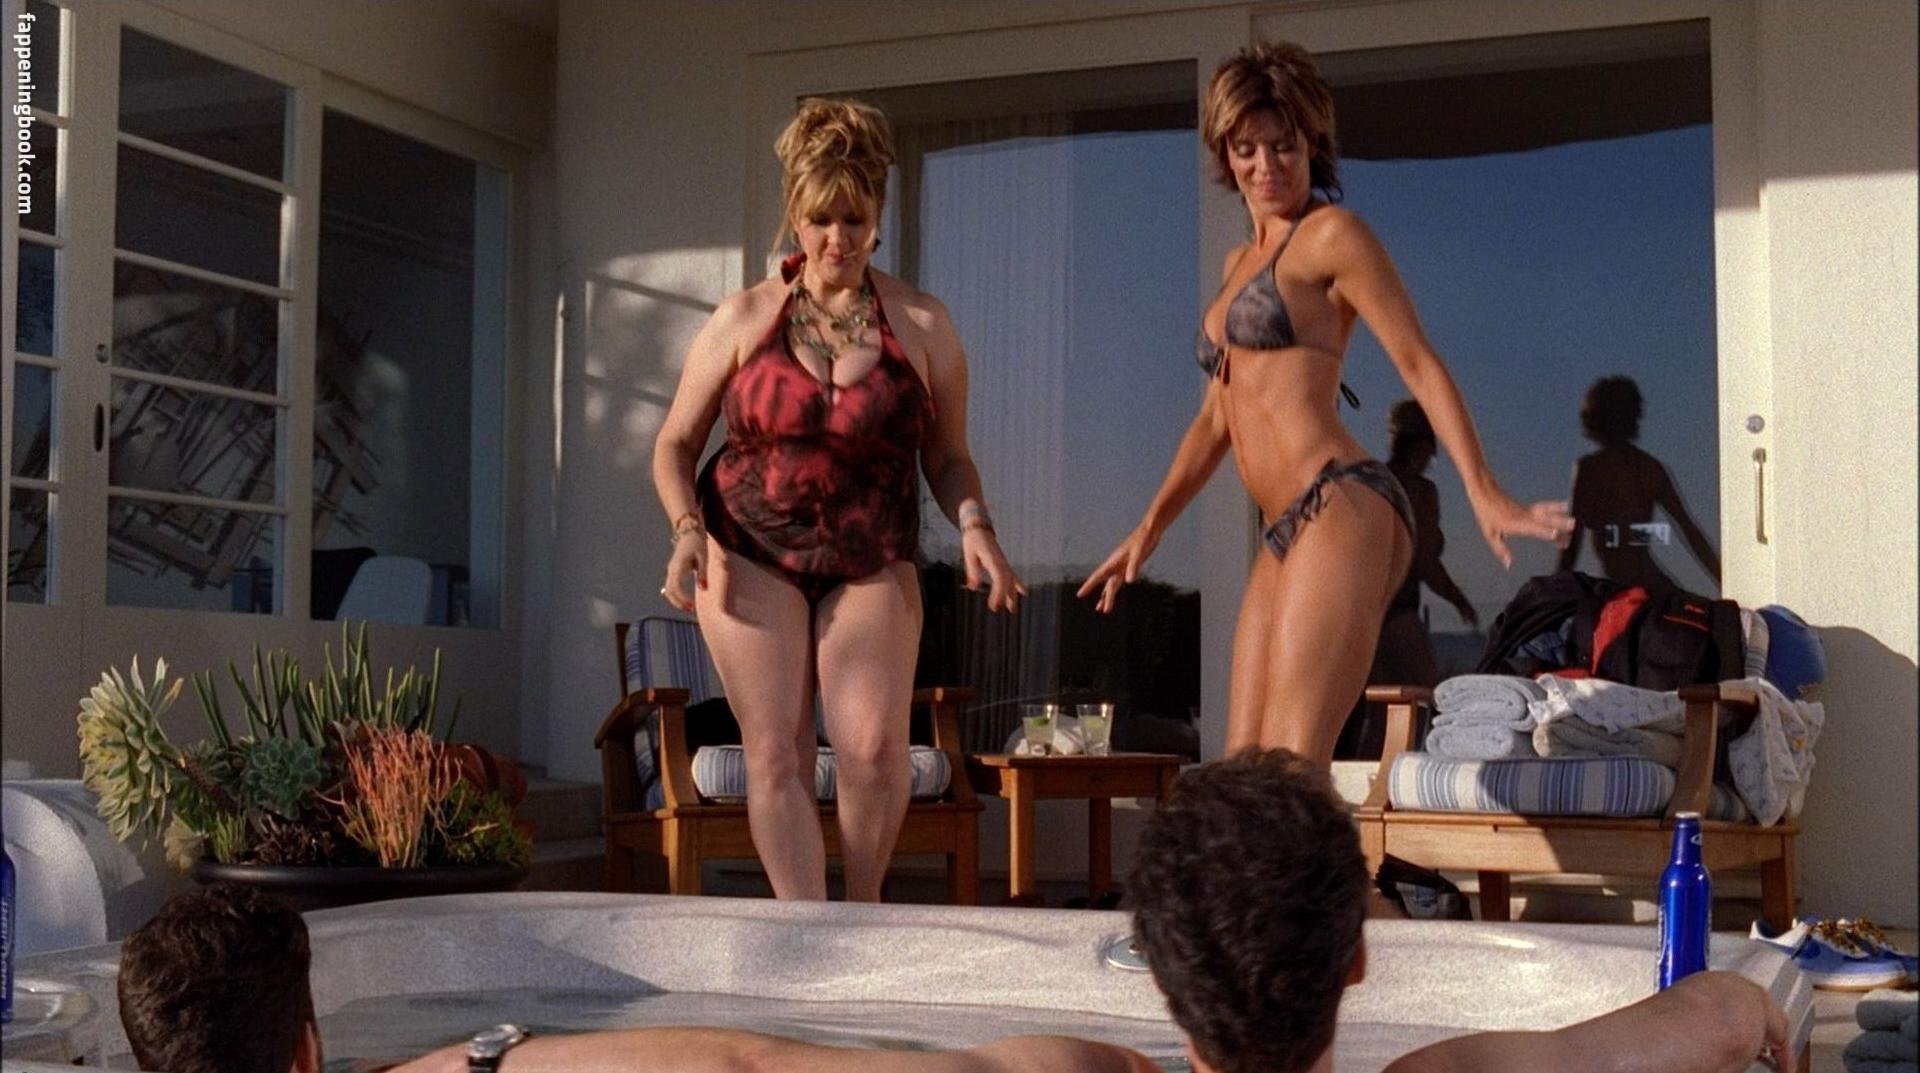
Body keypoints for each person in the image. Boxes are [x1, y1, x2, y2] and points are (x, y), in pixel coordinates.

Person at [1078, 41, 1570, 761]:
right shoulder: (1236, 264)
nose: (1266, 166)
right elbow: (1215, 417)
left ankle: (1319, 840)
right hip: (1283, 526)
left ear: (1312, 143)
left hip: (1341, 497)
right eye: (1246, 149)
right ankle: (1321, 846)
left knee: (1291, 762)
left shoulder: (1332, 235)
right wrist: (1149, 528)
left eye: (1283, 145)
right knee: (1244, 769)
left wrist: (1483, 489)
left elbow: (1417, 362)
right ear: (1225, 154)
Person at [652, 97, 1024, 902]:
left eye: (854, 220)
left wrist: (975, 524)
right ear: (796, 217)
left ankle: (861, 916)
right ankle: (806, 930)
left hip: (869, 553)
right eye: (821, 220)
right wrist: (686, 530)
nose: (837, 239)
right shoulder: (743, 318)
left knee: (873, 750)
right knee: (777, 748)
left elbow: (947, 456)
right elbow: (675, 442)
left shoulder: (922, 324)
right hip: (748, 547)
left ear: (878, 217)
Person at [1337, 400, 1477, 758]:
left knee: (1380, 713)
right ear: (1422, 445)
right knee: (1433, 703)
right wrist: (1460, 600)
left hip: (1360, 615)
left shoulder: (1370, 483)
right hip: (1396, 614)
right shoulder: (1418, 491)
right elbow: (1426, 560)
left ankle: (1368, 786)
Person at [1557, 375, 1721, 592]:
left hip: (1636, 593)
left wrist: (1551, 595)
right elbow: (1689, 532)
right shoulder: (1650, 468)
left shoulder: (1592, 469)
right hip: (1643, 590)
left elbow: (1572, 546)